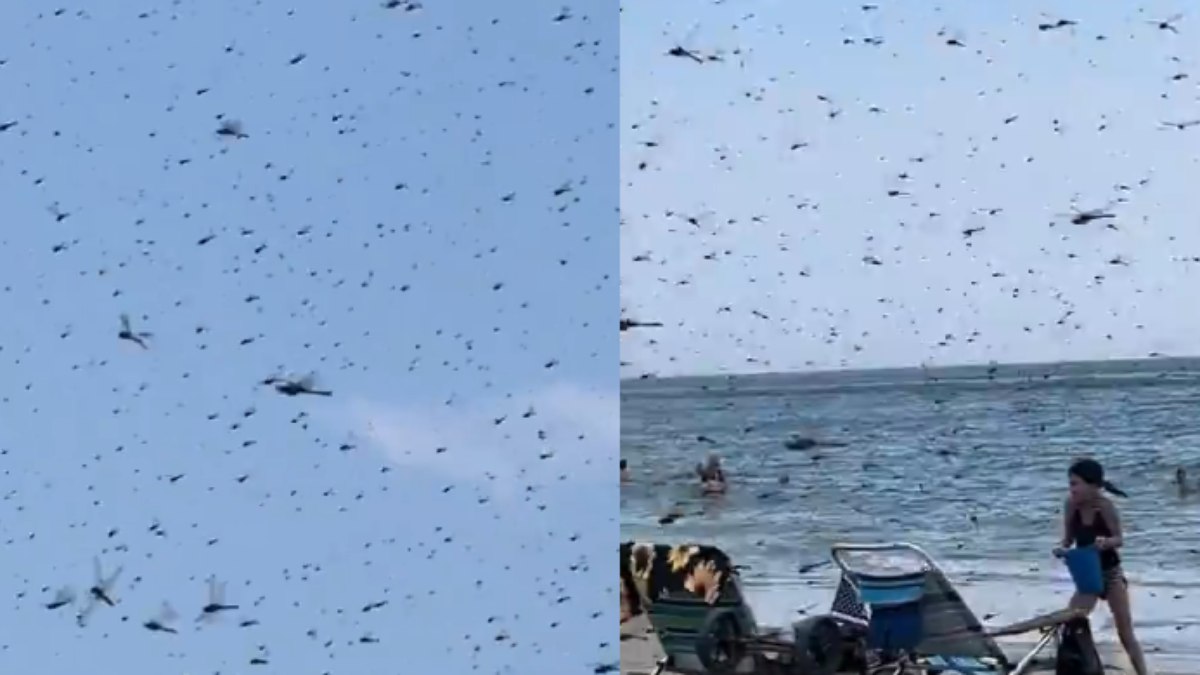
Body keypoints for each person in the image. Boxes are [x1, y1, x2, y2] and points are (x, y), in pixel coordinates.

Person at [1053, 458, 1148, 675]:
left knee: (1125, 632)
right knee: (1071, 621)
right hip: (1088, 577)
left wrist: (1105, 542)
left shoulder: (1105, 506)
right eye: (1070, 484)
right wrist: (1062, 549)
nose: (1072, 489)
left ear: (1093, 486)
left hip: (1111, 574)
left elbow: (1119, 539)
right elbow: (1068, 539)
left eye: (1076, 484)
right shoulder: (1071, 505)